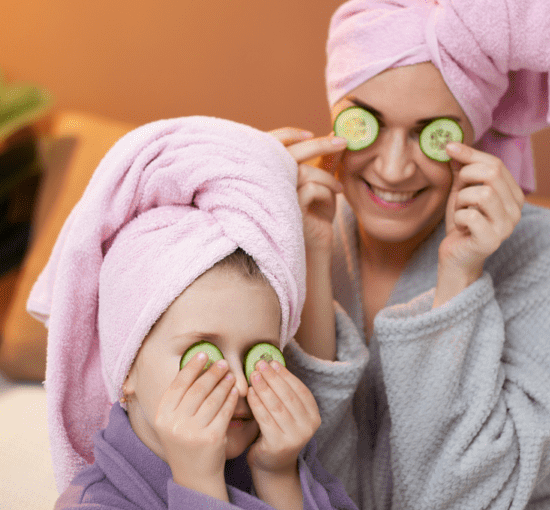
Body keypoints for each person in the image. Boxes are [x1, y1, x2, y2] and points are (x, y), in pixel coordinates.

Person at [269, 0, 550, 508]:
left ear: (473, 135)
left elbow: (464, 497)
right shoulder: (300, 230)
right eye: (367, 124)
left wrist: (459, 280)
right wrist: (308, 255)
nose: (394, 169)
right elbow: (308, 481)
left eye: (432, 133)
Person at [27, 117, 358, 510]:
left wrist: (278, 477)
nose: (239, 386)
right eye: (203, 354)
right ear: (126, 368)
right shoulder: (93, 504)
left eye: (261, 355)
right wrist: (198, 483)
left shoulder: (286, 464)